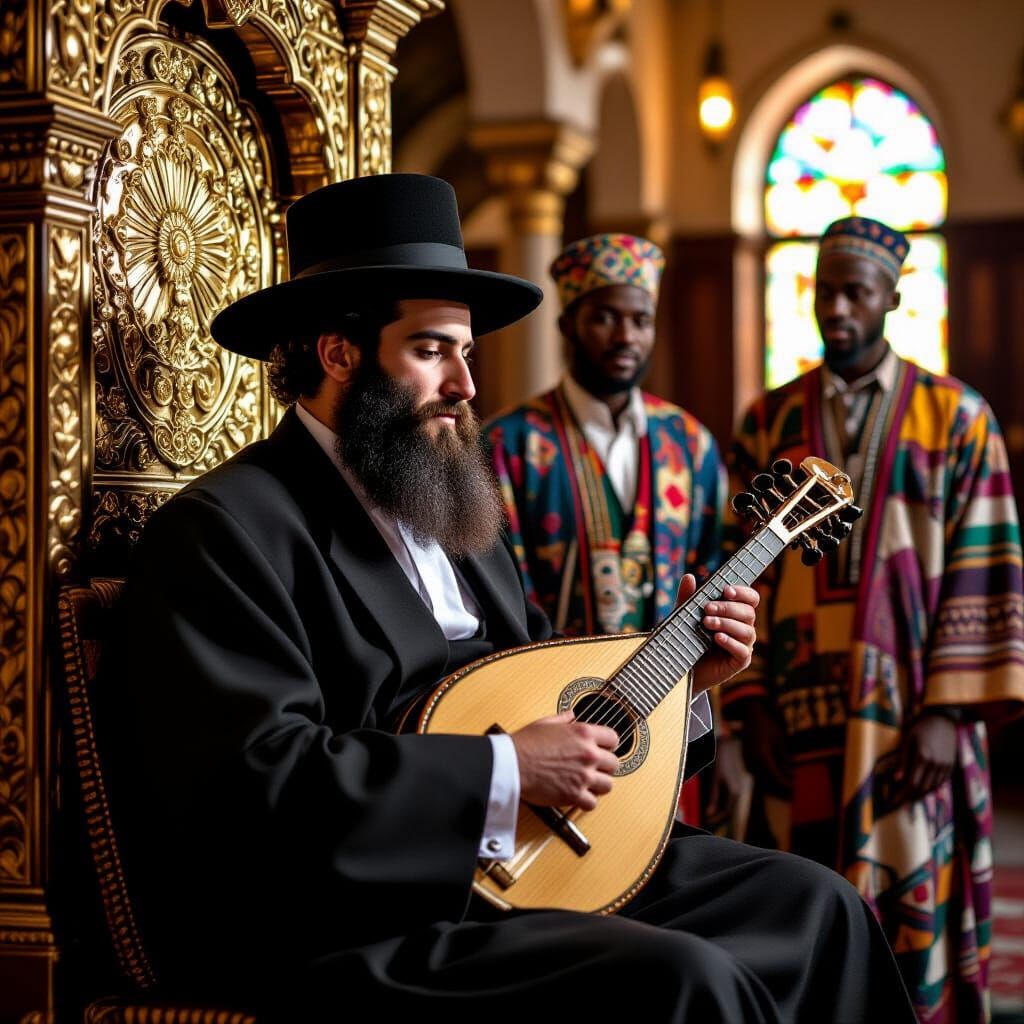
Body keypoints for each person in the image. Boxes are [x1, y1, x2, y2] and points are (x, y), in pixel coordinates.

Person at [100, 176, 915, 1024]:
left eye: (466, 353)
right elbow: (256, 786)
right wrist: (503, 769)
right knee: (685, 979)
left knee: (819, 908)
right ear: (338, 353)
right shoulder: (227, 530)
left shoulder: (455, 507)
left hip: (541, 859)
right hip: (370, 915)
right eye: (431, 351)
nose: (465, 384)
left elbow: (536, 688)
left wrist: (685, 686)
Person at [723, 215, 1024, 1023]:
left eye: (857, 292)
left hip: (909, 728)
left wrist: (948, 713)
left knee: (908, 908)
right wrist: (747, 708)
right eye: (826, 292)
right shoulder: (769, 422)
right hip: (797, 718)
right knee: (802, 908)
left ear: (895, 297)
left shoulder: (959, 418)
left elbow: (985, 564)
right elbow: (733, 566)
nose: (839, 309)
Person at [484, 234, 744, 826]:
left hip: (669, 721)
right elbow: (500, 601)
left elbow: (714, 594)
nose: (626, 336)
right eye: (604, 317)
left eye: (640, 319)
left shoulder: (692, 444)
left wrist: (720, 733)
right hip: (550, 721)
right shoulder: (510, 445)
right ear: (568, 322)